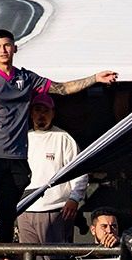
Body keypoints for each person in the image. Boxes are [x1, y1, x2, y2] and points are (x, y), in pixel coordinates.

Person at [0, 29, 117, 260]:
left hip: (17, 156)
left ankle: (5, 258)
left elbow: (61, 88)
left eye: (7, 45)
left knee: (8, 211)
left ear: (15, 48)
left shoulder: (26, 78)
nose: (3, 50)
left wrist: (94, 79)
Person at [16, 92, 86, 250]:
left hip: (55, 211)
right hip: (24, 210)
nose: (41, 115)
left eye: (46, 111)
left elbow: (80, 171)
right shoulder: (22, 138)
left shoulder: (63, 138)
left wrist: (74, 199)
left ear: (53, 113)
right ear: (31, 113)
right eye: (37, 110)